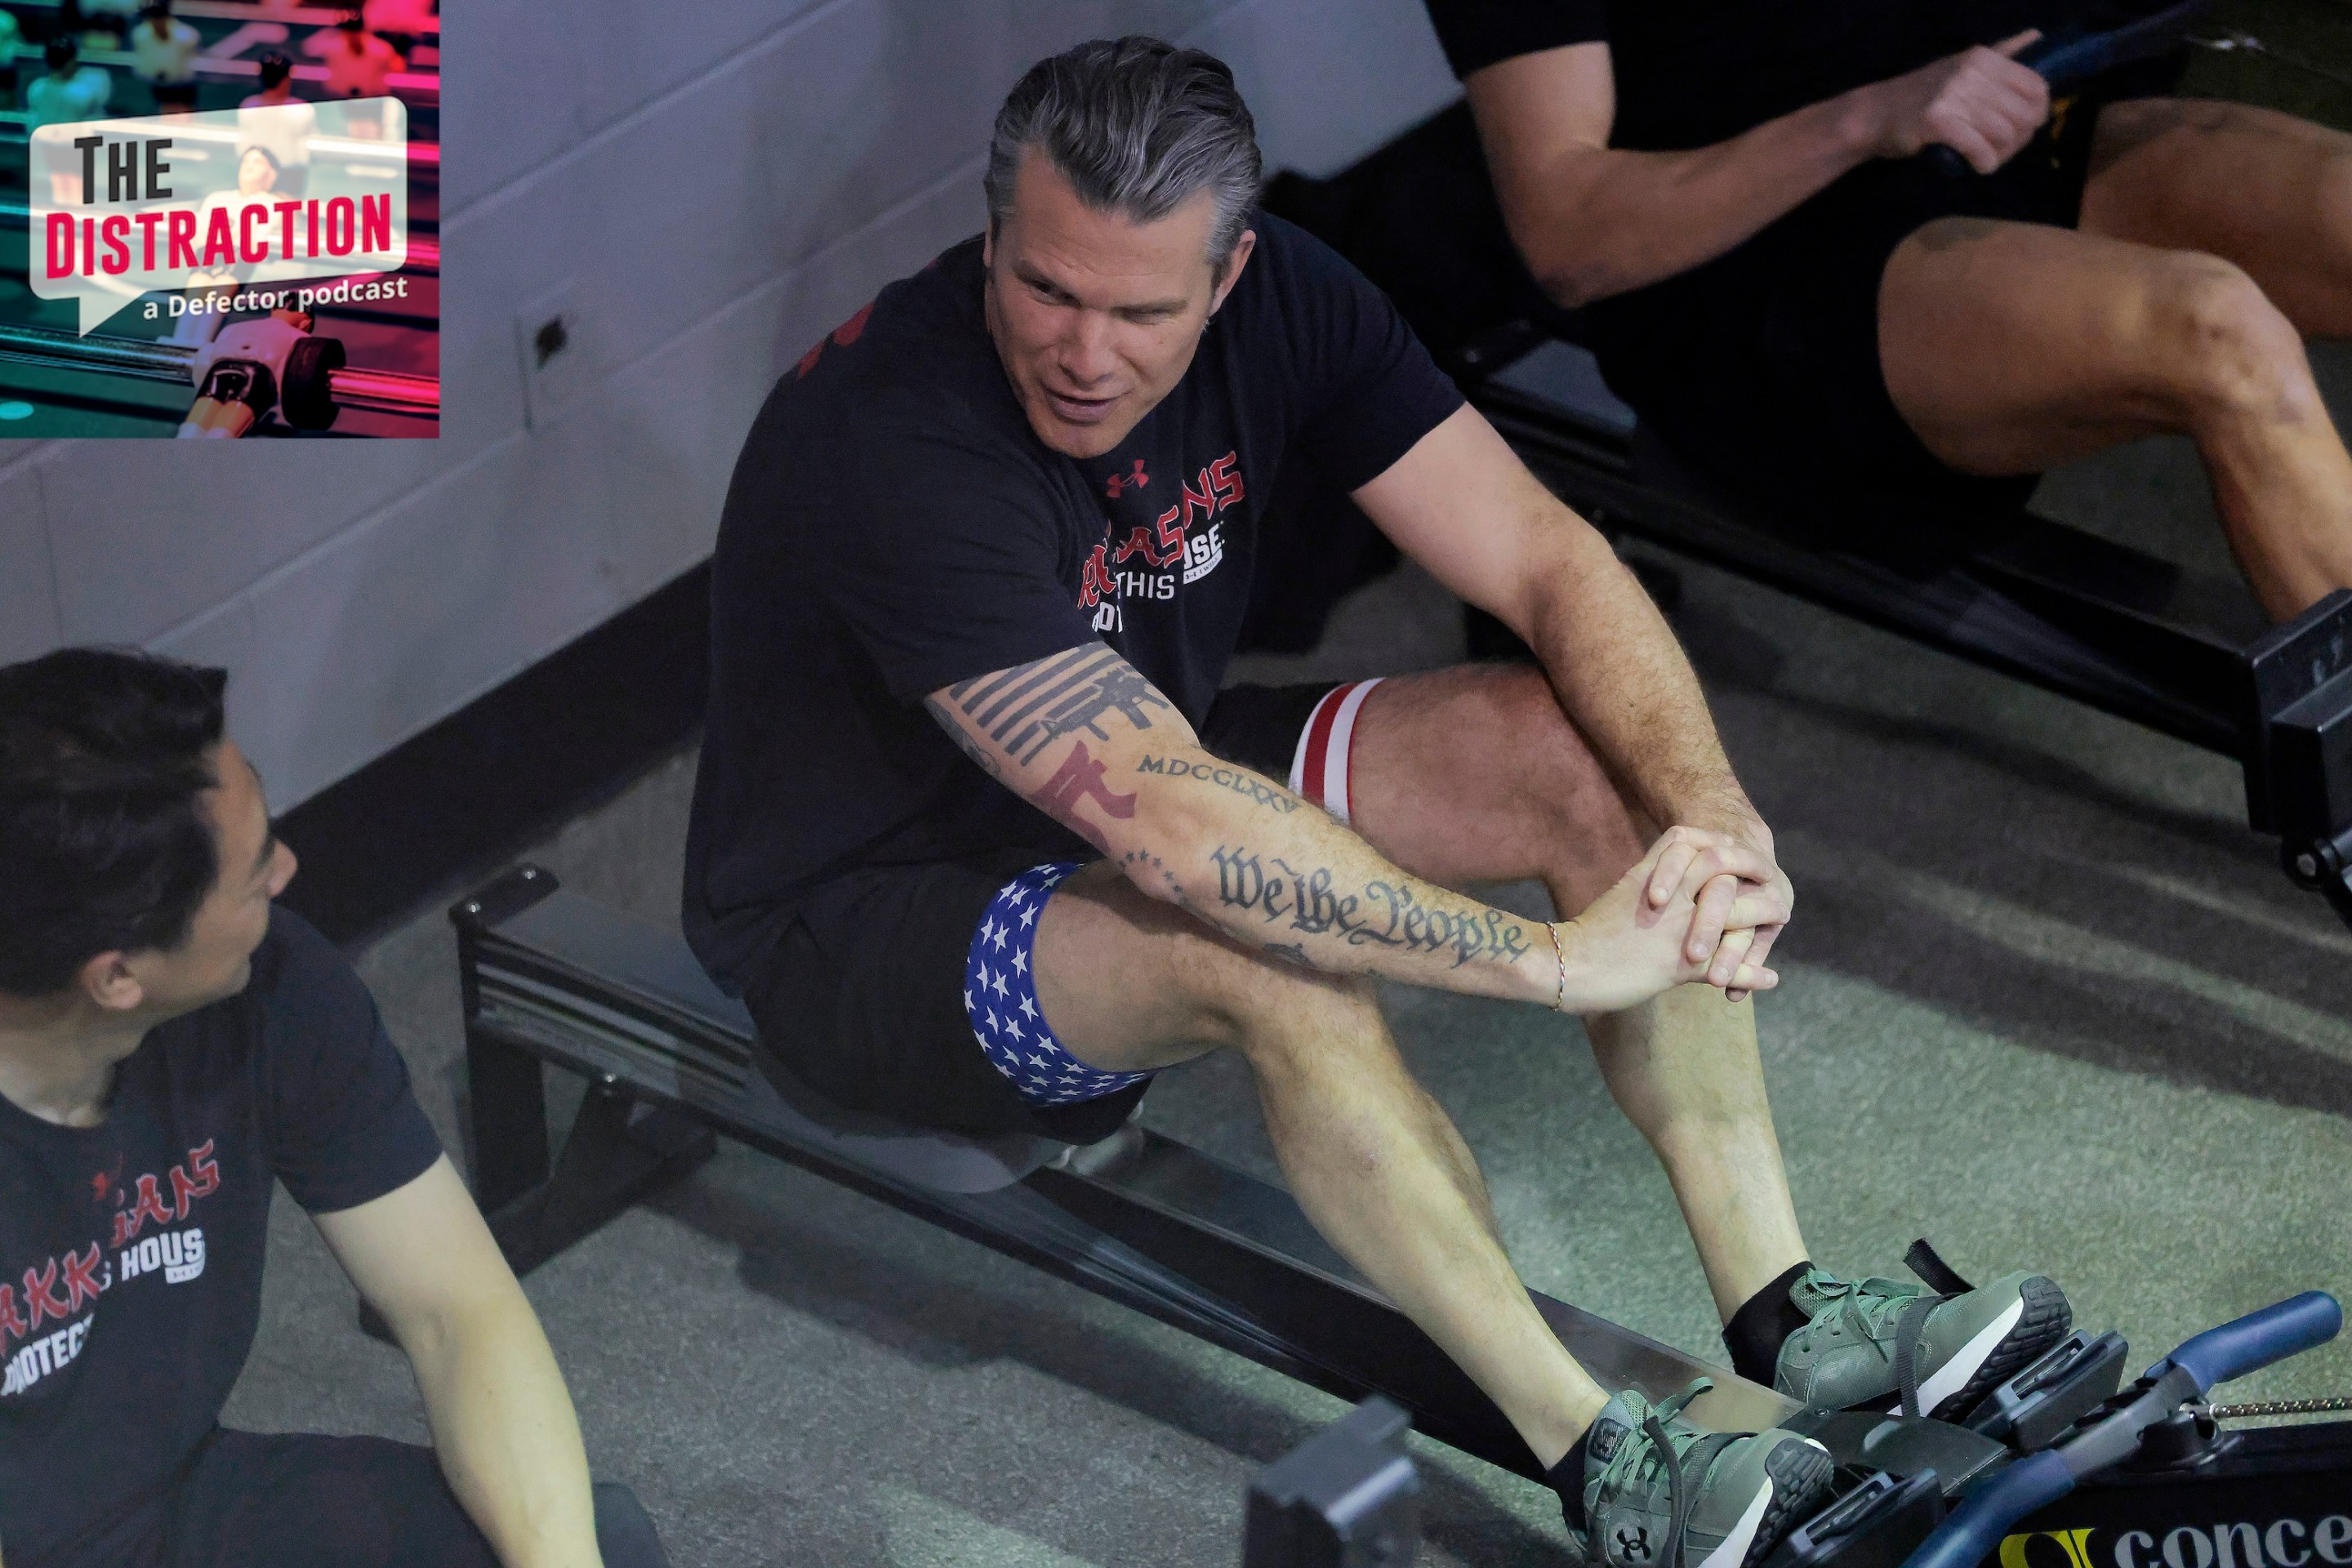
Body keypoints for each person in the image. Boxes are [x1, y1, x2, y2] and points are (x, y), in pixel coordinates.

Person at [688, 37, 2071, 1566]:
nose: (1084, 351)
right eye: (1045, 289)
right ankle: (1604, 1459)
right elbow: (1183, 838)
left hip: (1148, 755)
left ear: (1226, 279)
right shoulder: (891, 437)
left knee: (1563, 748)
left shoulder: (1287, 297)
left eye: (1141, 311)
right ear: (993, 234)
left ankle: (1787, 1307)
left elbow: (1548, 558)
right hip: (874, 913)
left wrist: (1713, 812)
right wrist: (1550, 964)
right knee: (1249, 940)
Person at [0, 649, 670, 1568]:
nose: (287, 869)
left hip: (178, 1509)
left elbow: (454, 1308)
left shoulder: (269, 984)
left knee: (596, 1543)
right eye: (250, 874)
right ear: (117, 976)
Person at [1427, 0, 2352, 626]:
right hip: (1771, 270)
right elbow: (1567, 233)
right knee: (2220, 333)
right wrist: (1863, 120)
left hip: (2013, 130)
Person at [239, 53, 318, 199]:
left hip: (260, 173)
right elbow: (308, 153)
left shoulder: (248, 106)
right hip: (289, 176)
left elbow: (242, 148)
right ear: (287, 78)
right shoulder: (302, 110)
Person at [129, 1, 199, 114]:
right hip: (157, 87)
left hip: (183, 88)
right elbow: (141, 67)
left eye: (158, 17)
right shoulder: (140, 35)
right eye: (152, 17)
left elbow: (191, 67)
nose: (155, 22)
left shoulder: (187, 36)